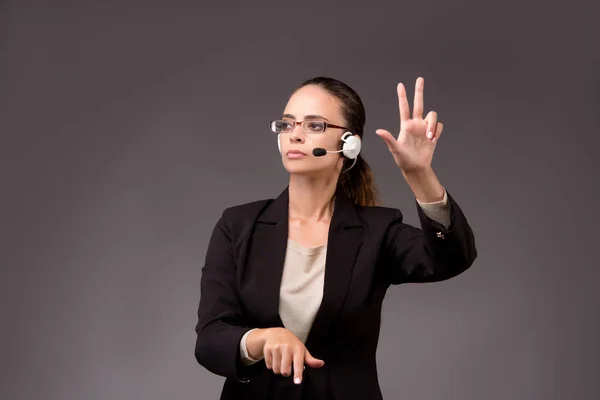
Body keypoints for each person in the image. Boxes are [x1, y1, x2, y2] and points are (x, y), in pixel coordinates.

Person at [194, 76, 477, 400]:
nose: (295, 135)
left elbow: (452, 258)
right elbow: (210, 340)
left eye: (314, 125)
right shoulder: (238, 226)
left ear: (349, 143)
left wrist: (420, 176)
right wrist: (261, 340)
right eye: (287, 125)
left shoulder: (377, 231)